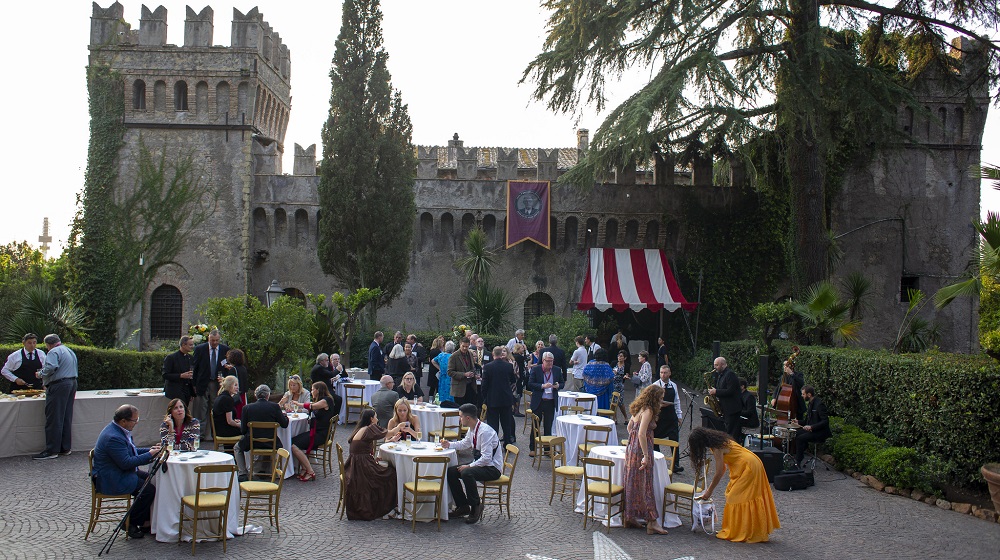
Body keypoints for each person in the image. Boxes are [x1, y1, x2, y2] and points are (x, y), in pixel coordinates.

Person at [689, 427, 780, 542]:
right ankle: (745, 529)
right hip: (751, 463)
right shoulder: (720, 439)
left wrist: (709, 491)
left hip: (748, 467)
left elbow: (719, 471)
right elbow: (723, 468)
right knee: (742, 497)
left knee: (735, 498)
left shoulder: (717, 448)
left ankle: (741, 531)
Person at [91, 404, 163, 539]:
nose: (136, 423)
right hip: (112, 478)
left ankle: (145, 521)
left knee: (152, 479)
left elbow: (132, 451)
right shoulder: (114, 437)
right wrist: (150, 454)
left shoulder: (119, 430)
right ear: (123, 421)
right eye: (134, 420)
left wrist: (151, 450)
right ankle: (130, 522)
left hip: (118, 471)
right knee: (148, 490)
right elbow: (126, 463)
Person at [442, 403, 503, 524]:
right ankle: (463, 506)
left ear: (468, 418)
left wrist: (469, 465)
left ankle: (476, 506)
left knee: (466, 473)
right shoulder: (473, 429)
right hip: (481, 463)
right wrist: (449, 444)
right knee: (451, 471)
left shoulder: (484, 432)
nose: (460, 419)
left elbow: (486, 458)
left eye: (460, 417)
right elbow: (465, 443)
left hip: (492, 468)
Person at [623, 384, 669, 534]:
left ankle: (630, 517)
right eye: (660, 398)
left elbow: (630, 427)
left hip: (632, 449)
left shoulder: (639, 408)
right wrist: (646, 455)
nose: (662, 402)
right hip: (642, 450)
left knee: (632, 481)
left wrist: (632, 441)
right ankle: (652, 522)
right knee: (645, 484)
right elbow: (642, 433)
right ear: (654, 397)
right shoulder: (648, 410)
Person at [344, 408, 406, 520]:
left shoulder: (361, 429)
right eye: (376, 417)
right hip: (362, 467)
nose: (377, 419)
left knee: (387, 470)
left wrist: (391, 441)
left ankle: (387, 505)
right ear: (371, 419)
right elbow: (390, 433)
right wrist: (400, 426)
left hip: (356, 465)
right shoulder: (370, 428)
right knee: (391, 474)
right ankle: (387, 507)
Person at [35, 334, 78, 460]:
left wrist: (40, 374)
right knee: (66, 416)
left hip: (59, 385)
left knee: (54, 417)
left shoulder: (53, 352)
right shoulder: (68, 350)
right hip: (72, 382)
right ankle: (65, 448)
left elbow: (51, 367)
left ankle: (52, 450)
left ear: (48, 345)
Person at [235, 385, 289, 482]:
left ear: (256, 396)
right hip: (271, 443)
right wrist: (286, 417)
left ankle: (242, 473)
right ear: (268, 395)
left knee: (237, 447)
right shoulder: (274, 407)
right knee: (272, 440)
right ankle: (267, 471)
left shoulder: (247, 408)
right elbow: (284, 424)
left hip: (253, 442)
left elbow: (243, 430)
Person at [289, 382, 337, 481]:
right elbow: (312, 405)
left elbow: (312, 407)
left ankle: (310, 471)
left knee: (293, 445)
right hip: (317, 432)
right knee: (294, 440)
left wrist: (297, 404)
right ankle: (304, 468)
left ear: (318, 390)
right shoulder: (321, 401)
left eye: (312, 389)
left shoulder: (326, 400)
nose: (311, 392)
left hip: (321, 434)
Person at [191, 329, 229, 442]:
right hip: (202, 383)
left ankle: (216, 434)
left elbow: (226, 366)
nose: (215, 343)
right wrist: (194, 385)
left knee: (216, 409)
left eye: (217, 340)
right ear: (208, 339)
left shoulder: (225, 350)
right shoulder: (200, 349)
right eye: (213, 340)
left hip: (217, 384)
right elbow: (195, 367)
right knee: (200, 410)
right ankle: (199, 435)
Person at [527, 351, 563, 457]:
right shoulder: (536, 369)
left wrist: (558, 386)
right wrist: (542, 386)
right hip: (539, 400)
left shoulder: (556, 370)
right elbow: (530, 383)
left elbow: (562, 383)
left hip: (550, 401)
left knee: (548, 426)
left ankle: (547, 449)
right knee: (535, 425)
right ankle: (533, 448)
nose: (550, 364)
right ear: (543, 360)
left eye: (552, 361)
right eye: (548, 361)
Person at [482, 346, 517, 445]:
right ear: (501, 354)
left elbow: (484, 385)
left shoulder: (488, 367)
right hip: (506, 398)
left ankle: (494, 444)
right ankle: (507, 442)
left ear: (493, 354)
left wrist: (485, 397)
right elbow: (513, 381)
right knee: (506, 423)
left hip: (492, 398)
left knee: (493, 424)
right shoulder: (508, 366)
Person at [652, 365, 683, 472]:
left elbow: (677, 401)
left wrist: (679, 416)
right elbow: (651, 402)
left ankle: (675, 464)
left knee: (675, 440)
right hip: (659, 416)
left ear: (669, 373)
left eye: (665, 373)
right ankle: (656, 460)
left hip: (671, 416)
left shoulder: (673, 385)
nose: (663, 375)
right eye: (661, 372)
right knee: (655, 438)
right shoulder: (655, 385)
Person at [794, 385, 831, 466]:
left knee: (800, 438)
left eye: (803, 394)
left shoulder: (819, 404)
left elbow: (825, 421)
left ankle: (798, 462)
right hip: (813, 430)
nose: (802, 396)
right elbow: (807, 421)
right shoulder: (810, 403)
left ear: (809, 394)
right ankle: (799, 455)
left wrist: (812, 427)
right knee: (796, 434)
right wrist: (798, 422)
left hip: (820, 432)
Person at [708, 357, 742, 442]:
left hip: (732, 409)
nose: (714, 367)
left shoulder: (730, 374)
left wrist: (716, 391)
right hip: (726, 408)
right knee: (727, 431)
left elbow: (731, 391)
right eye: (714, 365)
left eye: (716, 365)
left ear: (723, 365)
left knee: (731, 433)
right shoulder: (721, 375)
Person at [771, 356, 806, 424]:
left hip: (796, 405)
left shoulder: (798, 374)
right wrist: (774, 397)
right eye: (784, 365)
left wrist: (791, 374)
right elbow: (778, 387)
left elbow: (801, 383)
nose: (785, 367)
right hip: (785, 405)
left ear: (791, 366)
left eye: (786, 365)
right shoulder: (783, 377)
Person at [162, 336, 195, 404]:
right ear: (183, 345)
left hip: (187, 390)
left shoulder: (191, 358)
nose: (192, 346)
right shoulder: (171, 358)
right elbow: (165, 375)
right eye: (190, 345)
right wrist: (180, 376)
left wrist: (191, 392)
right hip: (175, 390)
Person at [448, 337, 478, 407]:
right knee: (460, 410)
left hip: (470, 386)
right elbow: (450, 372)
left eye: (466, 346)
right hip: (459, 389)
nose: (465, 348)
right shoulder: (454, 356)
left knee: (470, 409)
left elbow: (472, 367)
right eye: (463, 346)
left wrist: (473, 373)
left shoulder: (470, 353)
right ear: (460, 344)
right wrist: (464, 374)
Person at [221, 348, 249, 420]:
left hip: (236, 395)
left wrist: (222, 380)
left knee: (236, 414)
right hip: (243, 394)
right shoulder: (243, 368)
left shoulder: (233, 370)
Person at [434, 341, 454, 405]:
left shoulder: (441, 355)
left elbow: (433, 361)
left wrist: (439, 368)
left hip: (442, 376)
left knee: (442, 392)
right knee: (449, 392)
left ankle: (442, 404)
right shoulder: (453, 356)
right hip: (450, 377)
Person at [511, 342, 528, 417]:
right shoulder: (519, 357)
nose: (523, 349)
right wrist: (526, 351)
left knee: (516, 393)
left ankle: (514, 409)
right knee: (518, 393)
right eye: (522, 348)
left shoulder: (514, 356)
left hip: (518, 377)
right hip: (519, 377)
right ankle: (516, 410)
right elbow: (528, 358)